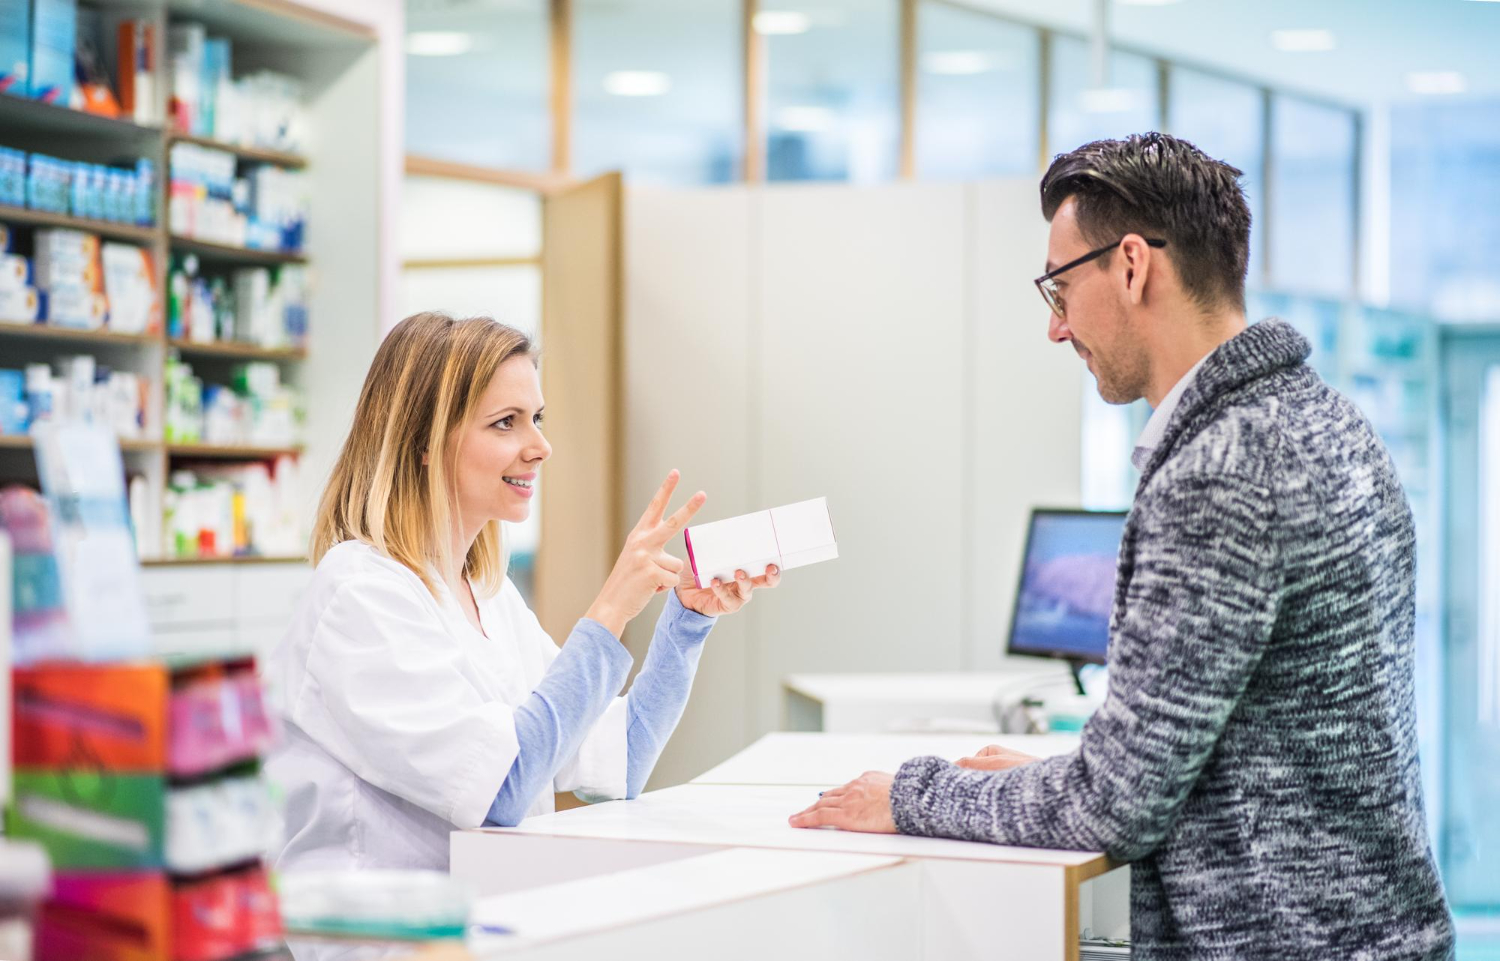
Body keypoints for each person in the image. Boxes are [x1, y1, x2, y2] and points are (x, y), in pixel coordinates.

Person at [790, 133, 1455, 960]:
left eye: (1061, 286)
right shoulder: (1328, 423)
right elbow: (1245, 735)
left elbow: (1113, 806)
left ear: (1133, 265)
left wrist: (915, 793)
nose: (1057, 326)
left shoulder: (1222, 470)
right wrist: (1065, 770)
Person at [267, 312, 778, 872]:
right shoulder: (360, 596)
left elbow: (622, 757)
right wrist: (609, 610)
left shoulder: (487, 595)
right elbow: (500, 790)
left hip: (485, 913)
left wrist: (687, 620)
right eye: (506, 423)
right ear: (422, 442)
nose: (541, 446)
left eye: (536, 417)